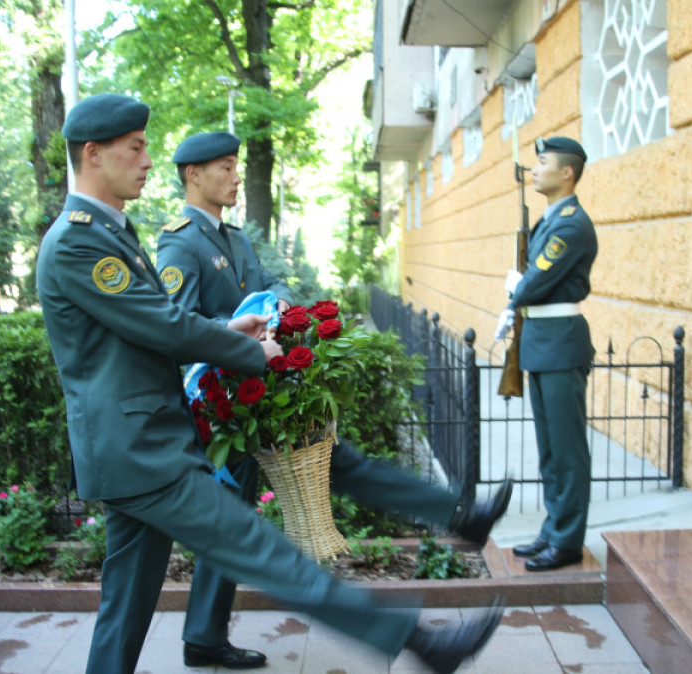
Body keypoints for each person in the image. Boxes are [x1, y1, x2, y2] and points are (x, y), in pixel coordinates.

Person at [36, 93, 503, 674]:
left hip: (134, 447)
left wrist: (227, 324)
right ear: (93, 154)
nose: (148, 160)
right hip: (141, 450)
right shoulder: (80, 239)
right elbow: (158, 323)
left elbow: (145, 321)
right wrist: (248, 350)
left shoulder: (108, 230)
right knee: (266, 553)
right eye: (135, 149)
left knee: (126, 603)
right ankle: (419, 641)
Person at [158, 130, 514, 669]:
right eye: (226, 167)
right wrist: (235, 332)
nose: (235, 175)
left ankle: (459, 515)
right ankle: (207, 635)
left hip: (261, 397)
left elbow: (268, 283)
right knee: (241, 520)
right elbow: (179, 327)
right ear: (193, 175)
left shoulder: (233, 239)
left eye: (237, 166)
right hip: (222, 412)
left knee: (331, 464)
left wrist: (280, 302)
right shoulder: (180, 243)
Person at [495, 137, 597, 572]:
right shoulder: (550, 220)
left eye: (542, 163)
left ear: (567, 172)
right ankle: (554, 528)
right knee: (550, 449)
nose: (534, 170)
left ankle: (568, 540)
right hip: (541, 340)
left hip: (559, 339)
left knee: (568, 449)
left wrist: (516, 289)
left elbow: (534, 281)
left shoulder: (571, 224)